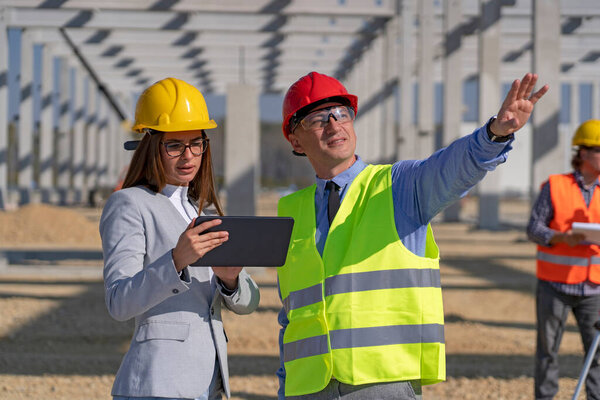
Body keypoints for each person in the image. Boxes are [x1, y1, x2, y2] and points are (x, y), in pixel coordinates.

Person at [276, 71, 548, 400]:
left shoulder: (399, 186)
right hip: (307, 387)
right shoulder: (290, 211)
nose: (334, 125)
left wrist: (494, 135)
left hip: (382, 382)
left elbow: (451, 168)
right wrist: (285, 384)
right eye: (318, 119)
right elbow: (292, 312)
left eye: (341, 113)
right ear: (294, 139)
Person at [99, 77, 260, 400]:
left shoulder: (205, 211)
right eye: (174, 144)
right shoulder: (129, 203)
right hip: (158, 383)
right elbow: (118, 302)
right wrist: (176, 261)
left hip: (208, 382)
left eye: (196, 143)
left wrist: (230, 281)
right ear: (149, 145)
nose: (188, 155)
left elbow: (249, 303)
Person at [527, 119, 600, 400]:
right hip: (554, 286)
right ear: (583, 153)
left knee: (597, 355)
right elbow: (534, 229)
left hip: (594, 289)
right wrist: (561, 237)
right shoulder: (555, 186)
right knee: (547, 353)